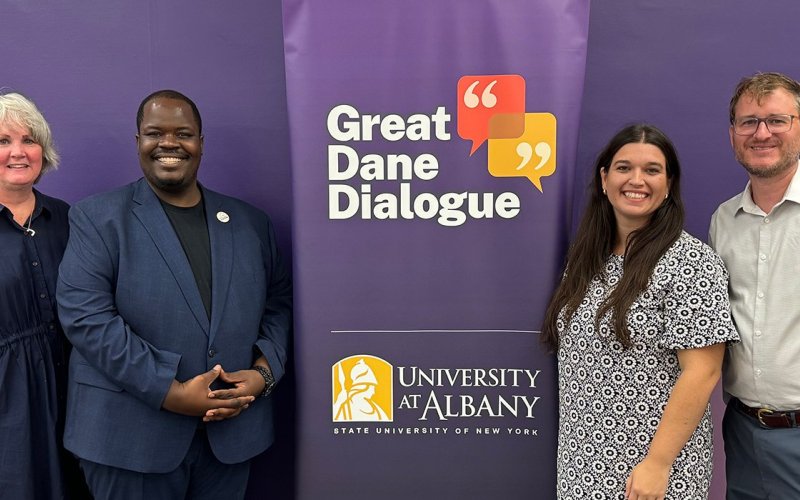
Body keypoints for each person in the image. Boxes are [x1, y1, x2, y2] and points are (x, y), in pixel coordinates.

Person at [56, 89, 292, 500]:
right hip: (129, 442)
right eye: (155, 133)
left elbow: (280, 304)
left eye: (183, 133)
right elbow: (87, 319)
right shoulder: (97, 218)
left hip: (230, 440)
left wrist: (263, 374)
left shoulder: (250, 223)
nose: (169, 143)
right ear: (138, 142)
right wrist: (173, 392)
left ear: (201, 143)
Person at [542, 124, 738, 500]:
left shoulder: (691, 262)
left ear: (668, 185)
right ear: (604, 178)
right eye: (623, 167)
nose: (637, 180)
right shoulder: (586, 260)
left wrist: (657, 464)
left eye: (652, 170)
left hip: (653, 470)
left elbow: (703, 371)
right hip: (582, 461)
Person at [709, 72, 800, 499]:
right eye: (748, 122)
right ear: (733, 135)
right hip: (743, 434)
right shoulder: (723, 221)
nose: (762, 133)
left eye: (777, 120)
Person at [0, 91, 89, 498]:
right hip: (10, 403)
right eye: (3, 141)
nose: (18, 152)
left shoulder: (71, 220)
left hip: (76, 392)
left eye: (29, 139)